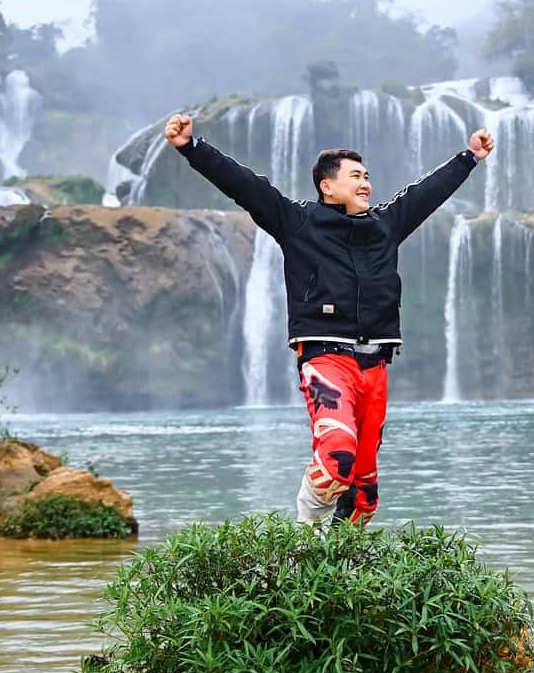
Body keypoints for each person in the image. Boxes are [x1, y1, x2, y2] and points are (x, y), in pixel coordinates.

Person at [165, 111, 494, 525]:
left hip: (375, 365)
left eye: (367, 176)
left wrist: (470, 157)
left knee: (364, 493)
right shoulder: (298, 222)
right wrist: (192, 148)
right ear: (327, 186)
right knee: (337, 452)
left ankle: (337, 569)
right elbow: (244, 186)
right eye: (355, 176)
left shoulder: (385, 225)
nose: (366, 183)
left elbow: (426, 193)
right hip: (325, 358)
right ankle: (304, 534)